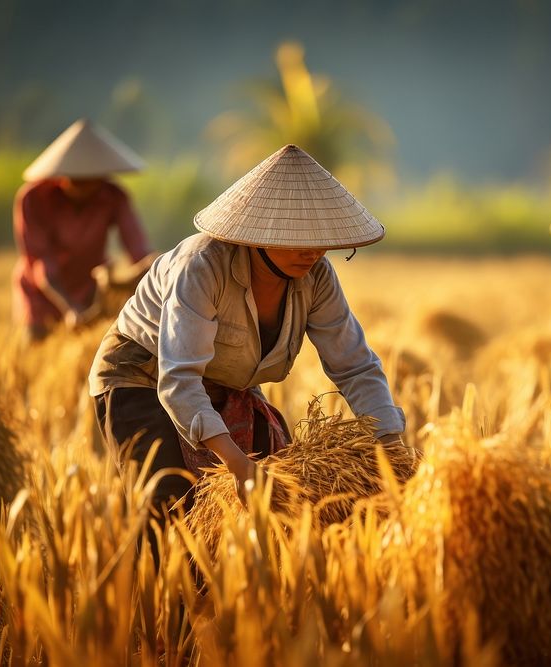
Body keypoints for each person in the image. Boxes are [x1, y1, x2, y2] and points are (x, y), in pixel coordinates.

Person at [88, 144, 405, 517]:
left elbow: (355, 366)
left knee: (281, 498)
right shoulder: (202, 266)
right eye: (298, 237)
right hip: (141, 374)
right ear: (259, 232)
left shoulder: (317, 277)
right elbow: (180, 379)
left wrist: (390, 447)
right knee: (171, 504)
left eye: (319, 238)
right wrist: (239, 467)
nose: (313, 251)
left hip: (226, 380)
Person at [13, 119, 153, 342]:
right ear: (62, 175)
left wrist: (150, 268)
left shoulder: (114, 196)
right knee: (35, 346)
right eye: (77, 179)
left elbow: (138, 248)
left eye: (91, 180)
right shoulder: (33, 199)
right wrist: (69, 307)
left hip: (90, 290)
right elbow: (41, 262)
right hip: (42, 293)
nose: (83, 186)